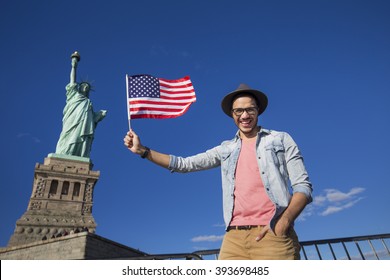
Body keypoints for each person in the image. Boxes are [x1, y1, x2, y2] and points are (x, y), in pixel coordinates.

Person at [123, 83, 313, 260]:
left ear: (258, 111)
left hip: (271, 233)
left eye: (250, 109)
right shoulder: (225, 149)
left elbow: (302, 187)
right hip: (233, 240)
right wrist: (143, 151)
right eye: (239, 111)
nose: (244, 115)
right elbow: (184, 164)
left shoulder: (280, 139)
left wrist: (283, 222)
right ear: (232, 114)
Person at [55, 52, 107, 158]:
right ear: (79, 87)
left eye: (87, 87)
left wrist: (98, 116)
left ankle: (79, 155)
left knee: (82, 137)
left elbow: (92, 120)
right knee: (67, 134)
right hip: (71, 120)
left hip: (83, 126)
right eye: (83, 85)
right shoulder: (73, 94)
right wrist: (74, 66)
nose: (85, 87)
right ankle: (63, 153)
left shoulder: (88, 103)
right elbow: (72, 80)